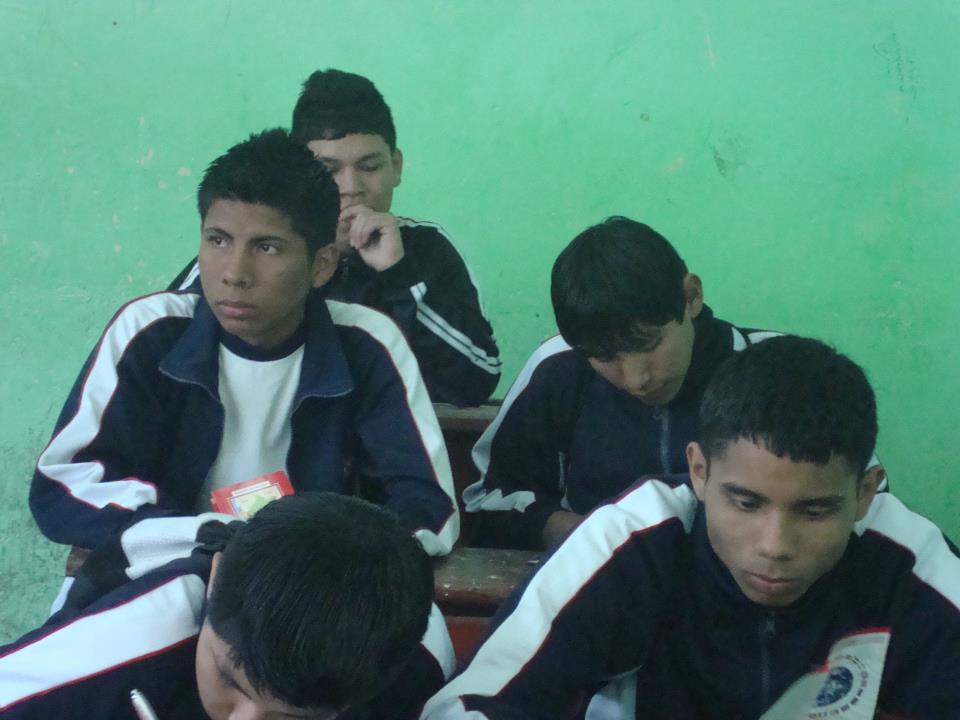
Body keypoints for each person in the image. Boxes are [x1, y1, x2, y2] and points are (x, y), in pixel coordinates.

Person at [422, 336, 960, 720]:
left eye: (815, 511)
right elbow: (467, 706)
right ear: (699, 471)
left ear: (866, 493)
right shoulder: (631, 543)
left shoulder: (907, 560)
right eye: (745, 503)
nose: (775, 545)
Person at [30, 129, 458, 561]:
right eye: (217, 240)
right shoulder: (151, 333)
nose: (234, 273)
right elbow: (63, 486)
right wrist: (206, 537)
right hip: (169, 570)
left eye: (267, 247)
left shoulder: (367, 345)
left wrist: (301, 554)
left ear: (322, 265)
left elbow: (429, 512)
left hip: (311, 583)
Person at [170, 69, 501, 406]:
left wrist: (400, 276)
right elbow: (165, 351)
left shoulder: (425, 249)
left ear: (396, 166)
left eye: (370, 167)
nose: (351, 187)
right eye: (329, 170)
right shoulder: (249, 249)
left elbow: (477, 379)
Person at [464, 216, 783, 549]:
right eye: (604, 357)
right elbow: (490, 500)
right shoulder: (557, 368)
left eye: (650, 344)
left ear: (691, 297)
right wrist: (584, 538)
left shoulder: (775, 370)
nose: (636, 380)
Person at [0, 492, 455, 719]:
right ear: (214, 580)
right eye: (226, 679)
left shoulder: (414, 662)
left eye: (286, 718)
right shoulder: (129, 638)